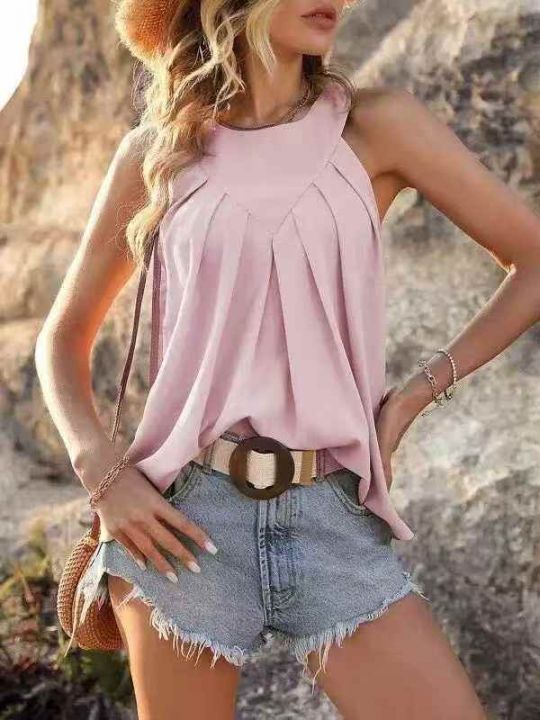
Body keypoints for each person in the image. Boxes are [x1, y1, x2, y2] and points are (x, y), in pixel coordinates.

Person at [34, 1, 540, 718]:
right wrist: (103, 475)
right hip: (182, 520)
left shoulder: (377, 126)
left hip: (330, 508)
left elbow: (533, 259)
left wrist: (411, 398)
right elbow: (62, 338)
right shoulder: (157, 152)